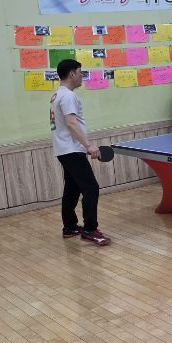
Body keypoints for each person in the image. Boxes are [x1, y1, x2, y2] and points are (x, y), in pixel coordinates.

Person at [50, 59, 110, 244]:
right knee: (91, 188)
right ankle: (90, 230)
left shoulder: (57, 94)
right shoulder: (68, 96)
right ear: (72, 74)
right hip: (71, 150)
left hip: (64, 149)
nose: (82, 76)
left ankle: (69, 226)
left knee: (72, 188)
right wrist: (88, 145)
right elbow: (71, 122)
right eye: (80, 72)